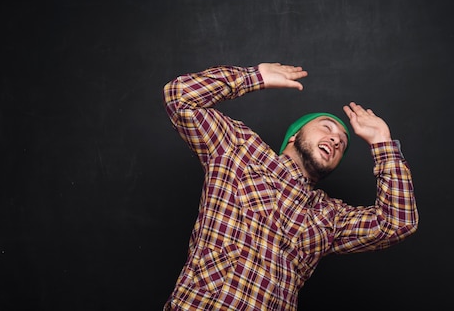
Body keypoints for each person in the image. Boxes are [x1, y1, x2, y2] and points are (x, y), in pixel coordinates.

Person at [162, 62, 418, 310]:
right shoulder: (239, 151)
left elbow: (397, 223)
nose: (335, 140)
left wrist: (382, 143)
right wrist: (254, 77)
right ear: (294, 135)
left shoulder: (329, 217)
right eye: (326, 128)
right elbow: (179, 96)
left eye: (342, 143)